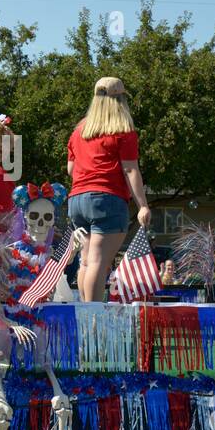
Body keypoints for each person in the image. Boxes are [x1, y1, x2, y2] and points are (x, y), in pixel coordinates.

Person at [66, 77, 151, 303]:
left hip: (76, 200)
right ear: (121, 99)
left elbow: (70, 169)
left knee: (86, 262)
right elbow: (130, 170)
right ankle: (93, 317)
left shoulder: (79, 131)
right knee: (98, 263)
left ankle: (85, 315)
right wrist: (142, 205)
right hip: (107, 199)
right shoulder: (123, 130)